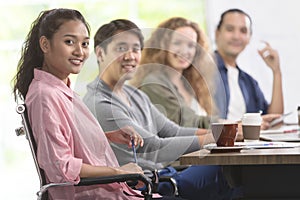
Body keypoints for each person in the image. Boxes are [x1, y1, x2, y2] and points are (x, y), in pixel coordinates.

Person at [11, 8, 172, 200]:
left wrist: (108, 137)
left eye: (85, 43)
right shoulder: (45, 95)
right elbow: (61, 167)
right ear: (45, 44)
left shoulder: (60, 90)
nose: (80, 51)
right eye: (69, 42)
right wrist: (119, 172)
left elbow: (65, 140)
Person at [83, 19, 239, 200]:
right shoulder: (100, 103)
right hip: (144, 186)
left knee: (234, 174)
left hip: (164, 175)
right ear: (100, 53)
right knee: (231, 177)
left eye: (135, 49)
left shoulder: (134, 94)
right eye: (121, 48)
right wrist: (218, 137)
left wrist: (222, 134)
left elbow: (171, 130)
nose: (130, 56)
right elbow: (153, 147)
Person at [129, 17, 219, 129]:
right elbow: (185, 122)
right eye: (177, 43)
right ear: (163, 45)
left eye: (191, 45)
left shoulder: (192, 84)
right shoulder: (153, 83)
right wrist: (226, 125)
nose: (184, 51)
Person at [214, 8, 284, 122]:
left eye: (243, 30)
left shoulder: (248, 82)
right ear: (217, 33)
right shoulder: (202, 71)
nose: (236, 36)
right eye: (230, 29)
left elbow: (274, 120)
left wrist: (276, 72)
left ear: (249, 37)